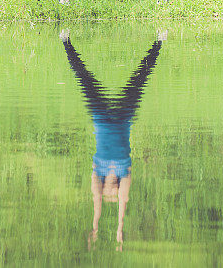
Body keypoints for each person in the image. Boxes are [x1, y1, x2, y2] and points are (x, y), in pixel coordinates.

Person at [60, 29, 164, 249]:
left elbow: (95, 198)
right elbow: (124, 200)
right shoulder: (123, 175)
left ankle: (66, 42)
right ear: (117, 190)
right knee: (140, 80)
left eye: (107, 195)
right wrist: (119, 227)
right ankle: (159, 41)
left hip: (101, 118)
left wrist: (96, 226)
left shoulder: (98, 173)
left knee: (84, 80)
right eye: (113, 195)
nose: (110, 194)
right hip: (123, 118)